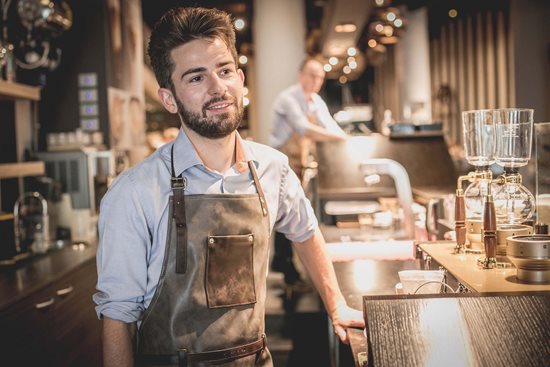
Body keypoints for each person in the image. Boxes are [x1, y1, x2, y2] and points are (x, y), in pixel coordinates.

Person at [94, 7, 364, 367]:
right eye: (195, 78)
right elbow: (117, 318)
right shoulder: (134, 192)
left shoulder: (273, 168)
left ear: (240, 77)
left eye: (224, 71)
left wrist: (337, 303)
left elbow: (306, 232)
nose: (217, 87)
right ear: (169, 98)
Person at [269, 58, 347, 287]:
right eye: (312, 75)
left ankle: (285, 263)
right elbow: (304, 128)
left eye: (320, 77)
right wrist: (341, 138)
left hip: (301, 163)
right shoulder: (288, 98)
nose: (316, 81)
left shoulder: (316, 101)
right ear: (300, 75)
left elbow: (329, 125)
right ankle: (284, 264)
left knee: (295, 212)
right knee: (286, 213)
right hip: (282, 162)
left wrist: (345, 138)